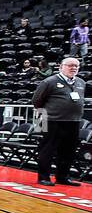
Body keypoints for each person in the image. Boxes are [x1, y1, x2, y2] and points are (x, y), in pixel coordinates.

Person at [33, 57, 86, 186]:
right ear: (61, 67)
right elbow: (37, 101)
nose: (73, 68)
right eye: (70, 65)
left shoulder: (81, 82)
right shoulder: (49, 82)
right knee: (48, 149)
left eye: (76, 66)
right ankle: (43, 177)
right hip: (52, 120)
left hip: (73, 121)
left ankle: (62, 177)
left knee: (68, 150)